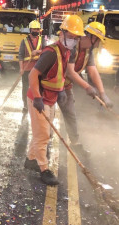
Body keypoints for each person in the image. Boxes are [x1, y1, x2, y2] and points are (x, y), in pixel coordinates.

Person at [24, 15, 85, 185]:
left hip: (50, 98)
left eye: (76, 38)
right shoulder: (51, 53)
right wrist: (37, 97)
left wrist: (61, 91)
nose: (73, 40)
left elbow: (59, 75)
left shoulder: (66, 53)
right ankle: (43, 169)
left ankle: (30, 159)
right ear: (62, 33)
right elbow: (33, 74)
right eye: (71, 36)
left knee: (42, 132)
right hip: (39, 98)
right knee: (43, 134)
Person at [60, 22, 113, 152]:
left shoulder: (88, 51)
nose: (98, 44)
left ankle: (75, 143)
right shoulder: (72, 46)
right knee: (47, 119)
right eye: (98, 40)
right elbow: (69, 72)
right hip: (52, 84)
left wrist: (102, 93)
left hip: (65, 85)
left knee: (71, 113)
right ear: (91, 37)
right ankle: (38, 153)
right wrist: (87, 87)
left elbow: (93, 70)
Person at [18, 20, 45, 113]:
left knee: (38, 88)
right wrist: (21, 68)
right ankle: (25, 105)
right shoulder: (24, 41)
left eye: (37, 29)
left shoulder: (42, 40)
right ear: (30, 30)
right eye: (34, 29)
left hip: (38, 68)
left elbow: (46, 51)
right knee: (25, 87)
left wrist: (38, 52)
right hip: (27, 68)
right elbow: (21, 56)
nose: (36, 31)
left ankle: (37, 103)